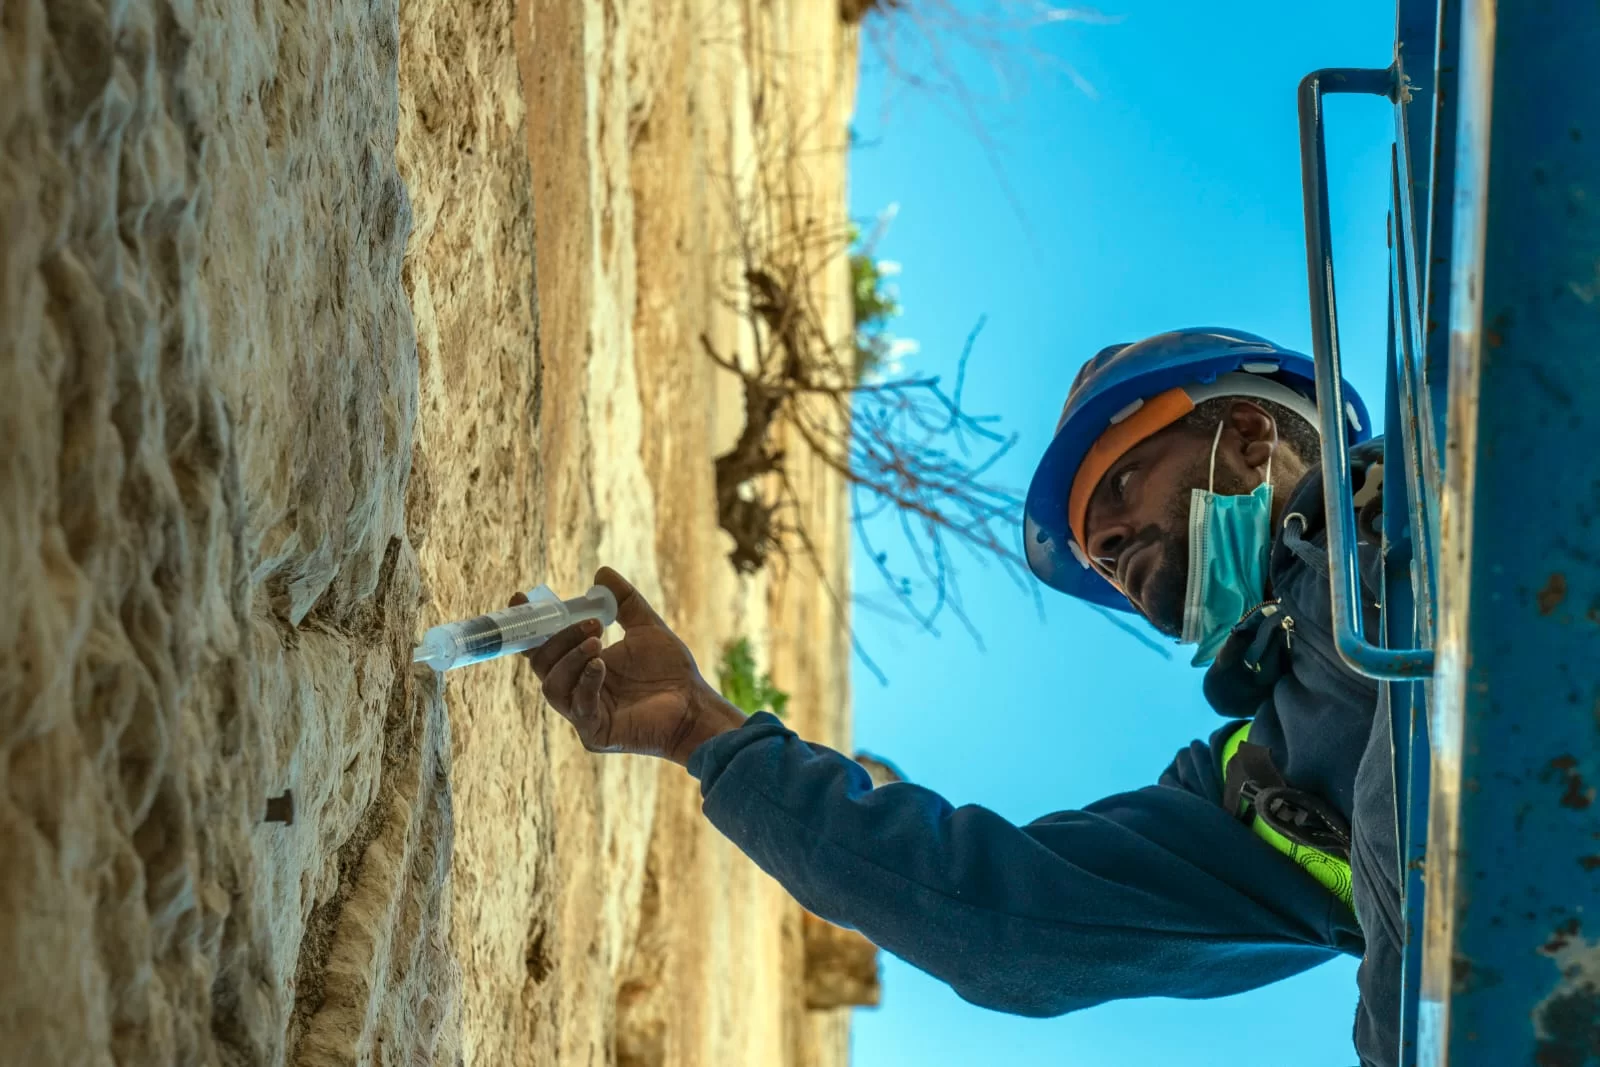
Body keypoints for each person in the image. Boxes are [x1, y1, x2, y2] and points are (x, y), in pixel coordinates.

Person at [516, 328, 1402, 1067]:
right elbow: (1008, 920)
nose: (1117, 552)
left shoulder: (1446, 476)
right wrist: (700, 730)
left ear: (1248, 431)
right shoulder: (1263, 794)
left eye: (1124, 486)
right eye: (1102, 556)